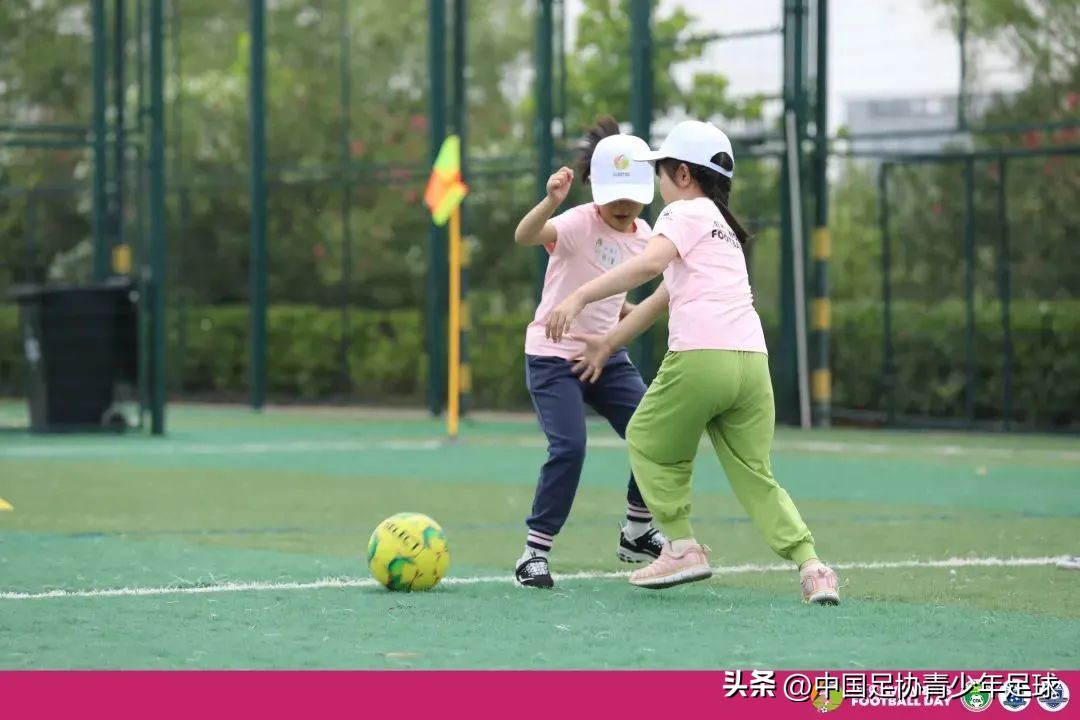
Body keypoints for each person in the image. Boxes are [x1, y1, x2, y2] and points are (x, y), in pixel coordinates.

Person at [544, 120, 841, 604]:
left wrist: (577, 297)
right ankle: (812, 566)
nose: (657, 186)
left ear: (682, 174)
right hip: (751, 363)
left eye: (660, 172)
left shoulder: (683, 213)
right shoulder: (722, 226)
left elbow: (646, 268)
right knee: (755, 473)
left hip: (703, 356)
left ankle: (680, 545)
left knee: (644, 435)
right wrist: (607, 342)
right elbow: (664, 295)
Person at [511, 116, 666, 589]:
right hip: (552, 355)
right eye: (614, 198)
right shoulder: (576, 223)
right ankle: (533, 554)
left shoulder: (646, 235)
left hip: (606, 357)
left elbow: (611, 295)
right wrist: (550, 201)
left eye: (631, 199)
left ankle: (637, 530)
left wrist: (629, 313)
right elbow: (524, 236)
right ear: (595, 188)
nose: (623, 208)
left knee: (656, 432)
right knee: (570, 447)